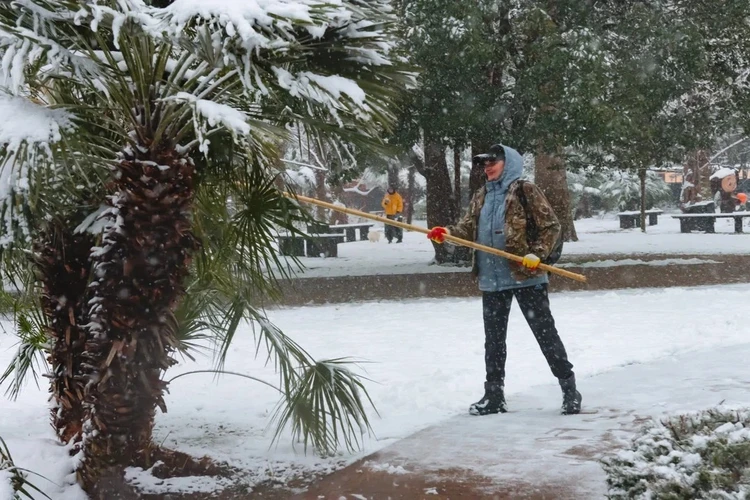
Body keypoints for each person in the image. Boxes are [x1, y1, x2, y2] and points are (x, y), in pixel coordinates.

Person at [426, 144, 582, 416]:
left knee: (545, 335)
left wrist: (537, 253)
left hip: (525, 276)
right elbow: (467, 228)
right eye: (484, 163)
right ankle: (494, 395)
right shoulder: (481, 194)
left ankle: (569, 389)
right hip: (491, 279)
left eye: (493, 162)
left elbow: (551, 226)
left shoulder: (525, 190)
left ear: (508, 163)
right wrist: (448, 233)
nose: (487, 167)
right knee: (494, 341)